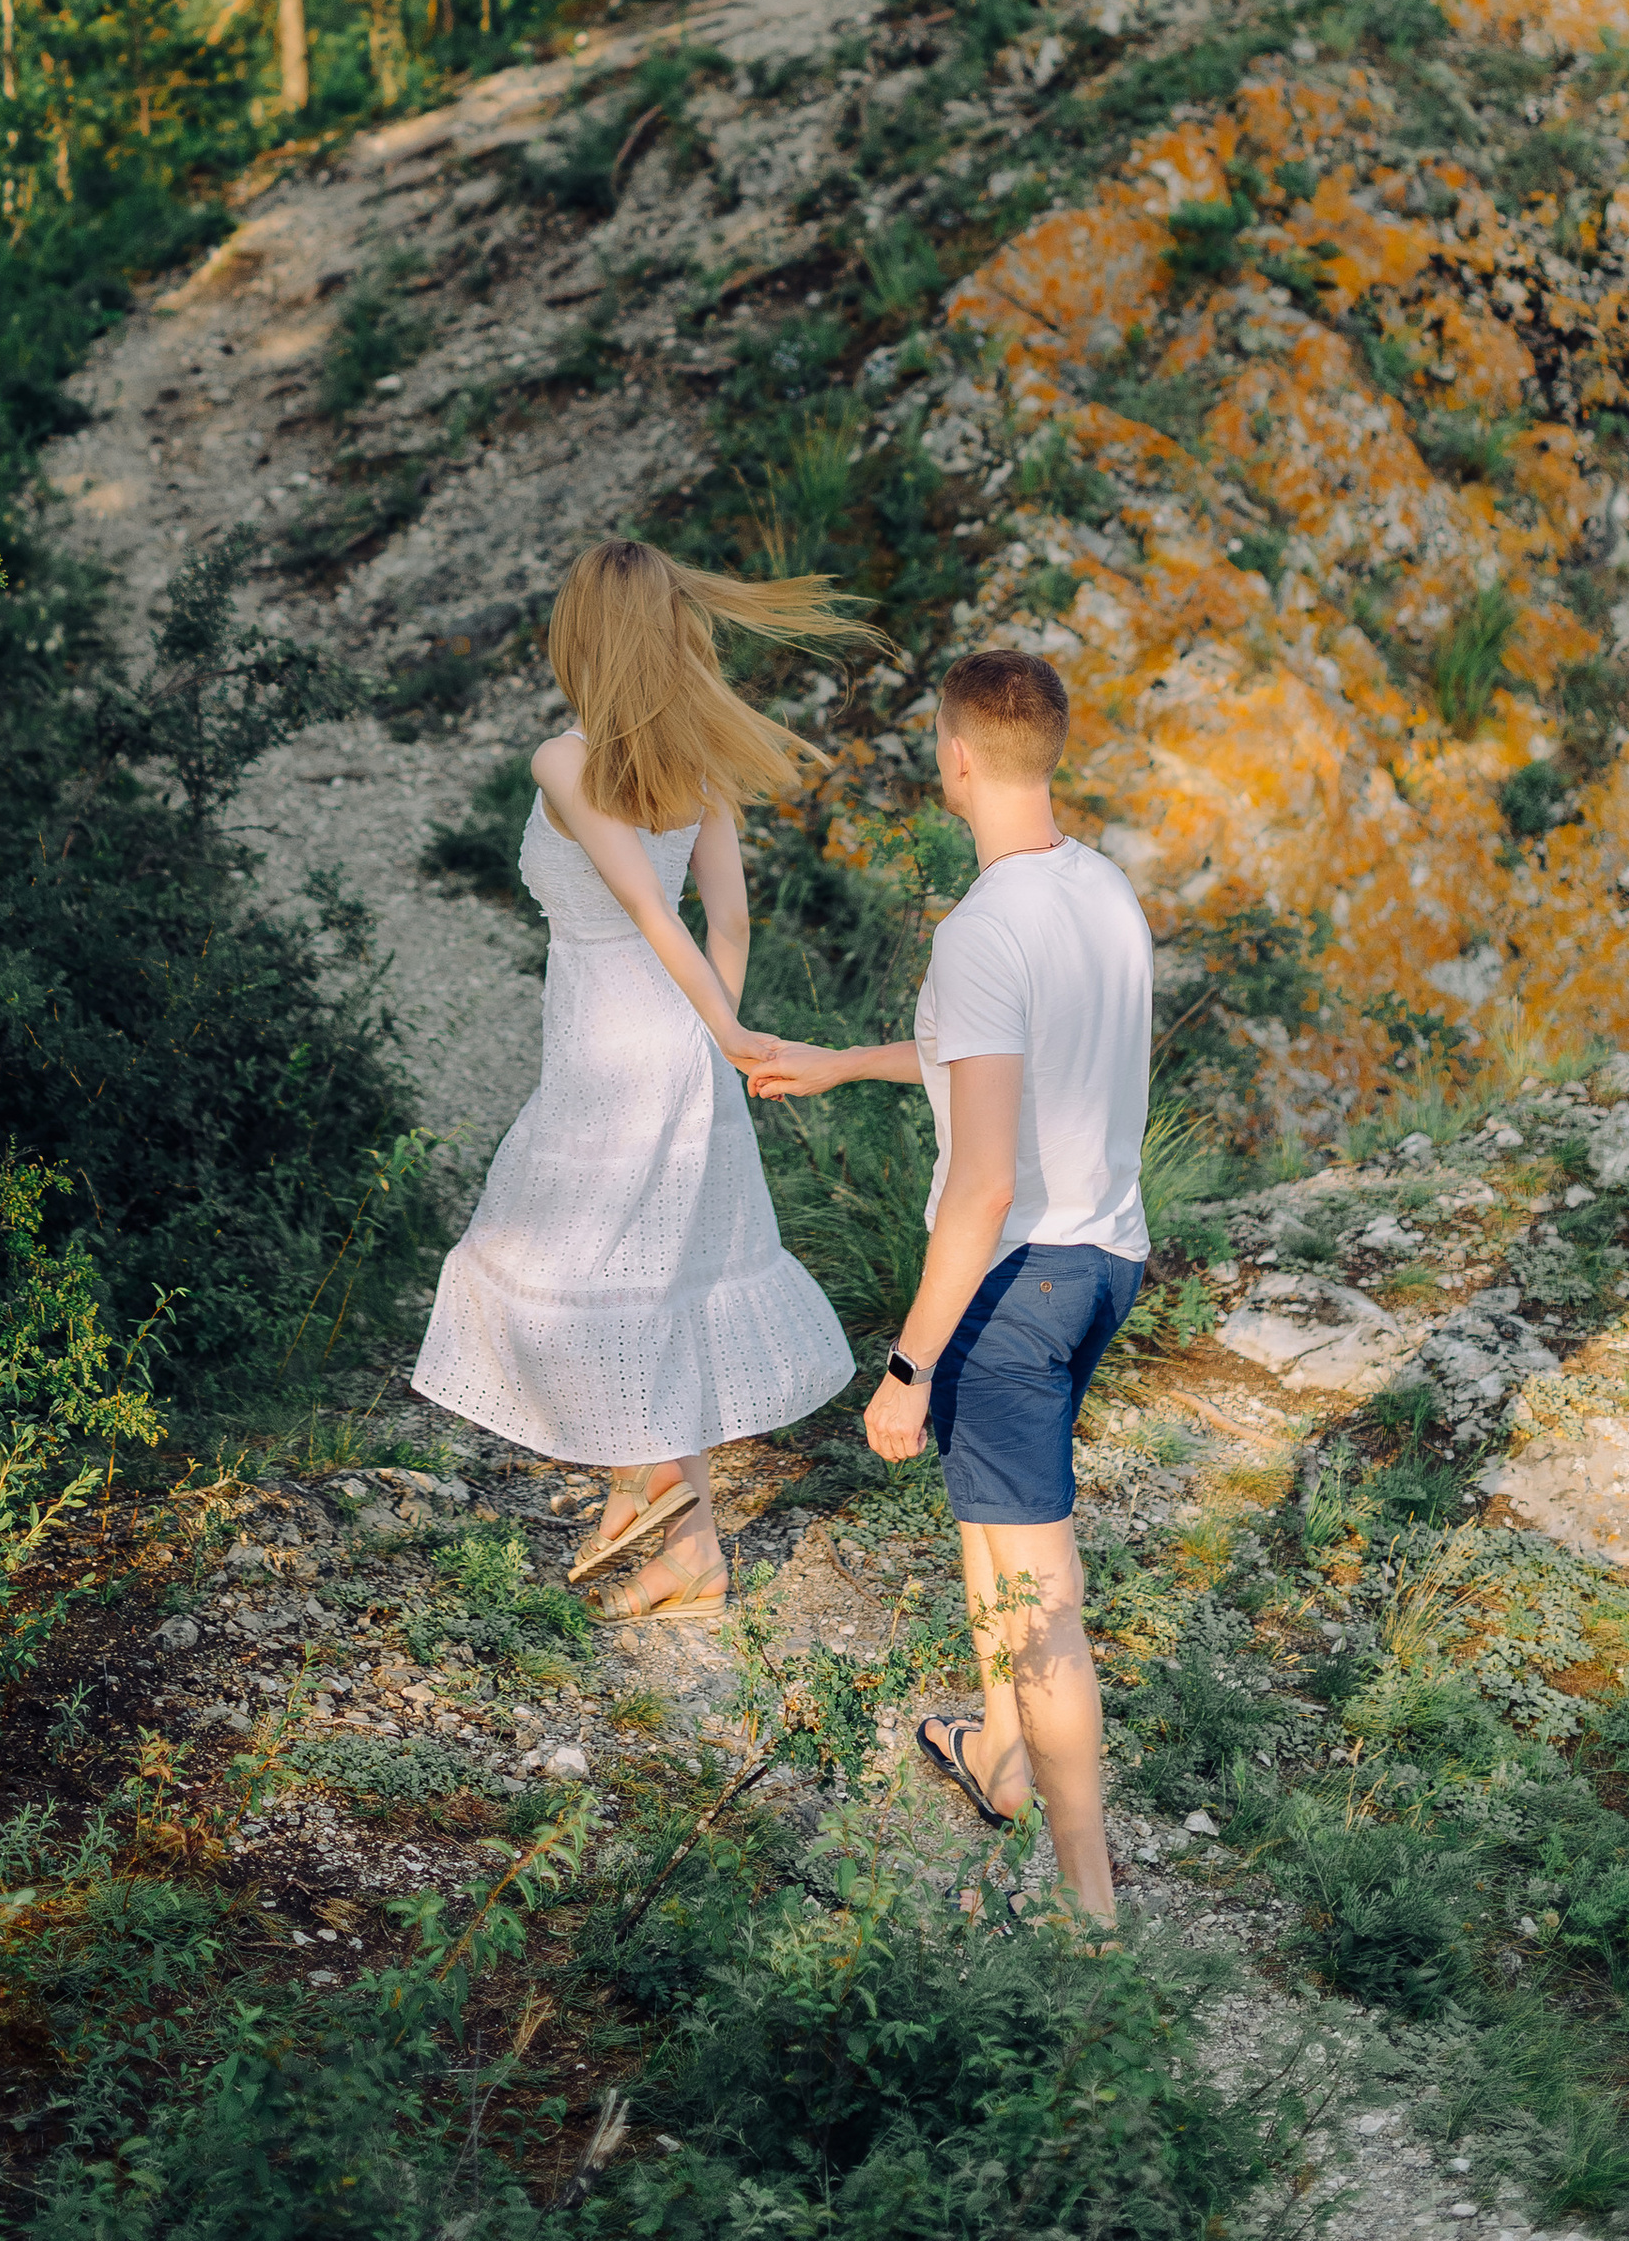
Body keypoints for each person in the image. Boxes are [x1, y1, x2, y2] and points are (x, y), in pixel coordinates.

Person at [748, 646, 1151, 1928]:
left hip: (1012, 1288)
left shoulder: (979, 930)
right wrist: (838, 1060)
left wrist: (906, 1366)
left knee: (1043, 1603)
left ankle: (1092, 1919)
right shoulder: (1102, 890)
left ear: (953, 757)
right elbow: (985, 1060)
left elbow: (979, 1184)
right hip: (1105, 1262)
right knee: (989, 1525)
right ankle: (996, 1750)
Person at [412, 540, 860, 1620]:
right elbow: (728, 921)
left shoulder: (562, 761)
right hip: (680, 1040)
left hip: (617, 1050)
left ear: (582, 637)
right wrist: (717, 1037)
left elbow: (655, 914)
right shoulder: (695, 763)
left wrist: (725, 1036)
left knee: (554, 1261)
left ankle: (650, 1487)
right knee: (651, 1280)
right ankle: (680, 1543)